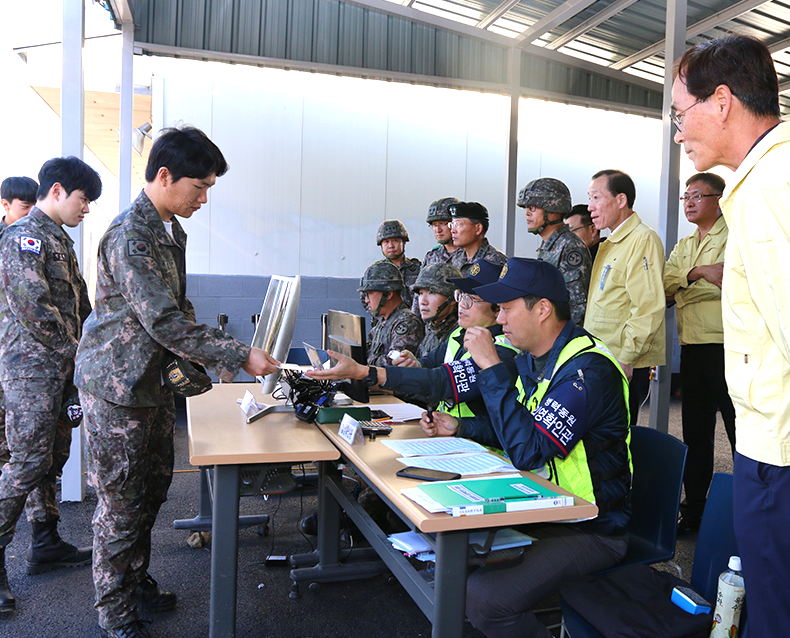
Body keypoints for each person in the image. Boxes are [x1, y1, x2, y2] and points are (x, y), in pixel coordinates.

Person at [74, 126, 280, 638]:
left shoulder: (170, 230)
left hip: (153, 383)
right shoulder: (131, 236)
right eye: (199, 187)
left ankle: (133, 581)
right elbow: (162, 320)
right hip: (119, 388)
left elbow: (177, 310)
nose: (204, 199)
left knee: (153, 490)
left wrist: (214, 360)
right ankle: (115, 612)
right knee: (121, 503)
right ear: (164, 176)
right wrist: (237, 354)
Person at [418, 258, 631, 638]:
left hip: (590, 526)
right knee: (443, 562)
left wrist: (489, 367)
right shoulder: (535, 360)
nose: (498, 320)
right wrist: (462, 426)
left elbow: (529, 451)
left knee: (483, 598)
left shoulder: (587, 372)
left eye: (506, 309)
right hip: (543, 507)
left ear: (543, 309)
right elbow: (519, 428)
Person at [672, 34, 788, 637]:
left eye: (678, 113)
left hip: (780, 450)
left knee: (774, 610)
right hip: (771, 440)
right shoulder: (765, 179)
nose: (676, 132)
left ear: (721, 102)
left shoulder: (770, 186)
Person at [0, 158, 101, 614]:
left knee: (51, 458)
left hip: (58, 370)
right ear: (57, 191)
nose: (86, 210)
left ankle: (44, 540)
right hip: (31, 372)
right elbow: (36, 309)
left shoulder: (59, 240)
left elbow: (78, 305)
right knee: (24, 463)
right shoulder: (23, 238)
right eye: (84, 200)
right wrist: (78, 357)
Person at [308, 259, 519, 420]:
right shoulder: (459, 333)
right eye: (460, 296)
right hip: (451, 435)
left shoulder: (501, 350)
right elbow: (428, 365)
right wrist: (413, 363)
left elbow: (440, 381)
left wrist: (365, 372)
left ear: (497, 305)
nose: (462, 305)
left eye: (470, 299)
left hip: (483, 453)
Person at [664, 172, 735, 535]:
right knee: (695, 434)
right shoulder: (686, 244)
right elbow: (665, 284)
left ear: (719, 199)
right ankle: (694, 511)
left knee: (740, 433)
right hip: (692, 347)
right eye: (686, 196)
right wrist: (702, 273)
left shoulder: (735, 236)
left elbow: (734, 284)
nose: (689, 202)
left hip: (728, 347)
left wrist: (685, 286)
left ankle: (747, 514)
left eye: (697, 196)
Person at [584, 169, 665, 424]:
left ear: (621, 200)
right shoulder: (612, 242)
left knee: (617, 439)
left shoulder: (642, 239)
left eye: (596, 197)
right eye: (589, 198)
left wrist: (627, 358)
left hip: (621, 361)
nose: (590, 207)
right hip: (601, 355)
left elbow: (647, 307)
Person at [0, 176, 38, 475]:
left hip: (20, 357)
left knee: (21, 445)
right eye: (26, 207)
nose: (31, 213)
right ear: (5, 204)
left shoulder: (35, 242)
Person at [518, 178, 591, 325]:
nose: (527, 213)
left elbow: (578, 308)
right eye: (526, 208)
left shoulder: (570, 247)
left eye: (532, 208)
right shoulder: (550, 245)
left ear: (554, 212)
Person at [358, 260, 424, 367]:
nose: (366, 300)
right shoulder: (383, 321)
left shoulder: (407, 323)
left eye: (370, 293)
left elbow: (393, 362)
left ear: (388, 294)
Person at [412, 262, 461, 358]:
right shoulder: (433, 329)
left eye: (432, 293)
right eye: (421, 293)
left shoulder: (460, 336)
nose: (423, 301)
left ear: (452, 299)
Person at [449, 201, 507, 275]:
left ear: (478, 228)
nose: (452, 230)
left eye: (458, 224)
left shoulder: (495, 261)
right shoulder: (456, 257)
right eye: (452, 224)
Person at [375, 219, 421, 310]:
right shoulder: (376, 271)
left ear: (403, 243)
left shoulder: (418, 268)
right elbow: (366, 299)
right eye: (386, 242)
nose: (391, 245)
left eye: (395, 241)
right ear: (381, 245)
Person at [422, 197, 460, 266]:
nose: (438, 230)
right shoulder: (431, 257)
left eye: (442, 223)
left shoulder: (469, 254)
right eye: (434, 224)